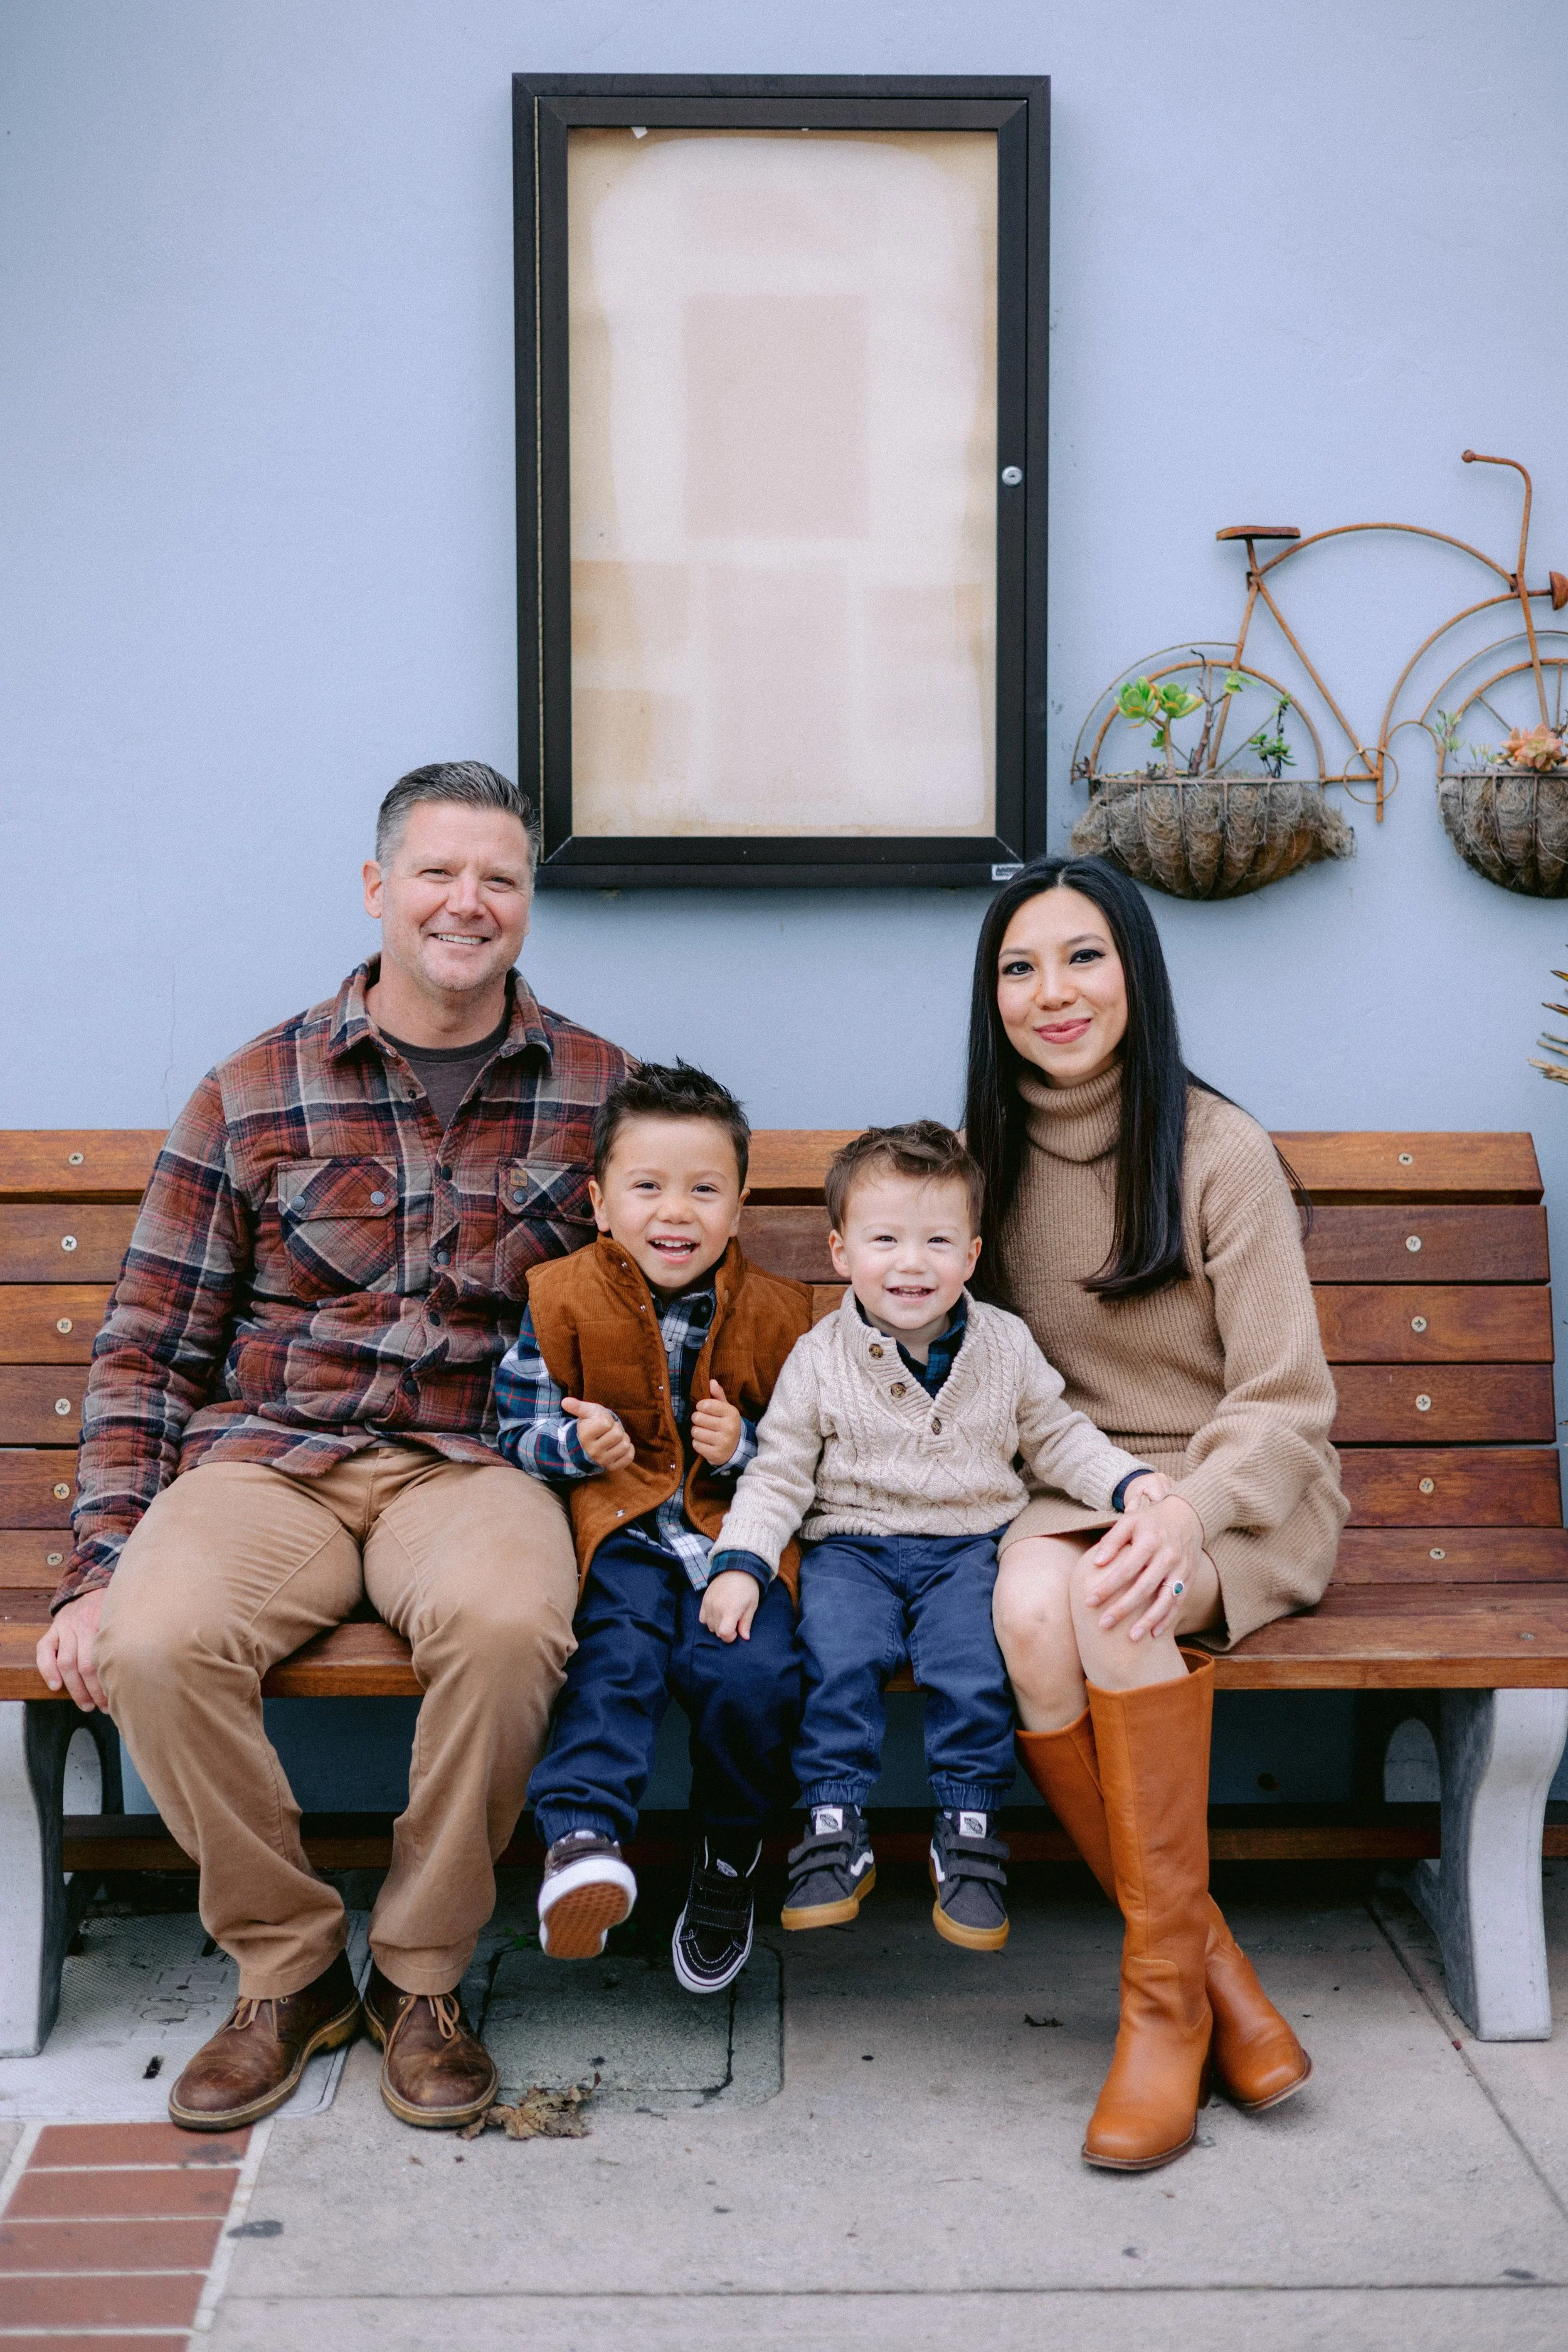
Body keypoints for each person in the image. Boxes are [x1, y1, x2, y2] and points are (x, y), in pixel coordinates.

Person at [35, 761, 632, 2134]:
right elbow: (148, 1347)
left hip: (476, 1461)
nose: (466, 902)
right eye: (436, 872)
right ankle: (289, 1969)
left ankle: (421, 1975)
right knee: (152, 1638)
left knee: (510, 1626)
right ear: (377, 888)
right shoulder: (252, 1089)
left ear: (526, 902)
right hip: (270, 1458)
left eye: (498, 878)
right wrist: (99, 1564)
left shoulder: (600, 1088)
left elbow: (655, 1297)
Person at [965, 853, 1347, 2171]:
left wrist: (1185, 1511)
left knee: (1111, 1599)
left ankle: (1158, 2012)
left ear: (1135, 971)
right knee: (1030, 1610)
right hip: (1075, 1482)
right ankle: (1209, 1977)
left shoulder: (1219, 1150)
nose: (1052, 991)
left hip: (1239, 1490)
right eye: (1020, 967)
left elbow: (1287, 1402)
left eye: (1083, 956)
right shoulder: (984, 1158)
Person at [708, 1121, 1168, 1955]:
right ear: (842, 1251)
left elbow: (1057, 1436)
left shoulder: (1005, 1345)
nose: (912, 1263)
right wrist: (742, 1562)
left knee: (971, 1670)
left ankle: (969, 1829)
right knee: (837, 1657)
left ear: (972, 1254)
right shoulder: (819, 1357)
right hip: (851, 1548)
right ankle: (833, 1824)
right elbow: (777, 1473)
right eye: (885, 1239)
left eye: (938, 1241)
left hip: (967, 1548)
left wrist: (1126, 1482)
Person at [497, 1062, 810, 1994]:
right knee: (615, 1660)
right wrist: (574, 1445)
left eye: (704, 1190)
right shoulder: (558, 1297)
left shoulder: (780, 1313)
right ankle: (581, 1841)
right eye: (647, 1187)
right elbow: (513, 1429)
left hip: (737, 1547)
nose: (676, 1211)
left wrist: (744, 1445)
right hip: (624, 1536)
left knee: (752, 1676)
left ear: (740, 1208)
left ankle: (729, 1858)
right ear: (599, 1204)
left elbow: (815, 1451)